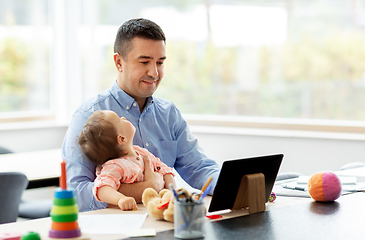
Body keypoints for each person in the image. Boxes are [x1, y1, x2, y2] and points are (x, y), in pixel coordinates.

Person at [62, 18, 220, 212]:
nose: (154, 72)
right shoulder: (88, 116)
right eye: (144, 61)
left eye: (160, 62)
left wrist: (239, 184)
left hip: (164, 223)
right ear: (119, 62)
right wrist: (144, 189)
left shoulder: (169, 113)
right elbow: (75, 193)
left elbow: (199, 167)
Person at [78, 110, 175, 211]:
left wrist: (172, 194)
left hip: (152, 210)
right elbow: (101, 188)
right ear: (122, 139)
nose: (123, 117)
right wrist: (120, 199)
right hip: (131, 215)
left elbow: (165, 171)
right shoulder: (115, 166)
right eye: (120, 120)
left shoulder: (142, 152)